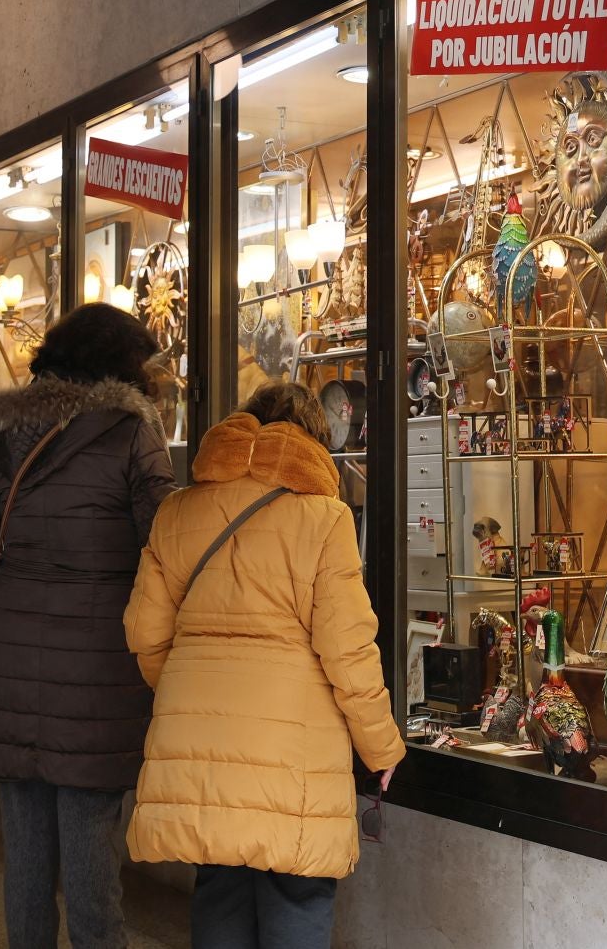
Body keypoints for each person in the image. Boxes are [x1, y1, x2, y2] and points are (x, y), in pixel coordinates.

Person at [123, 383, 405, 949]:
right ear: (314, 442)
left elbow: (145, 633)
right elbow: (348, 652)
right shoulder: (324, 519)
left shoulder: (177, 511)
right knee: (295, 897)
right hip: (292, 761)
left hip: (202, 750)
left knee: (219, 886)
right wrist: (381, 749)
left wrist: (189, 696)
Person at [0, 303, 177, 949]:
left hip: (10, 684)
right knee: (93, 877)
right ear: (123, 366)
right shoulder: (130, 435)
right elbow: (170, 548)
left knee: (26, 869)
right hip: (97, 689)